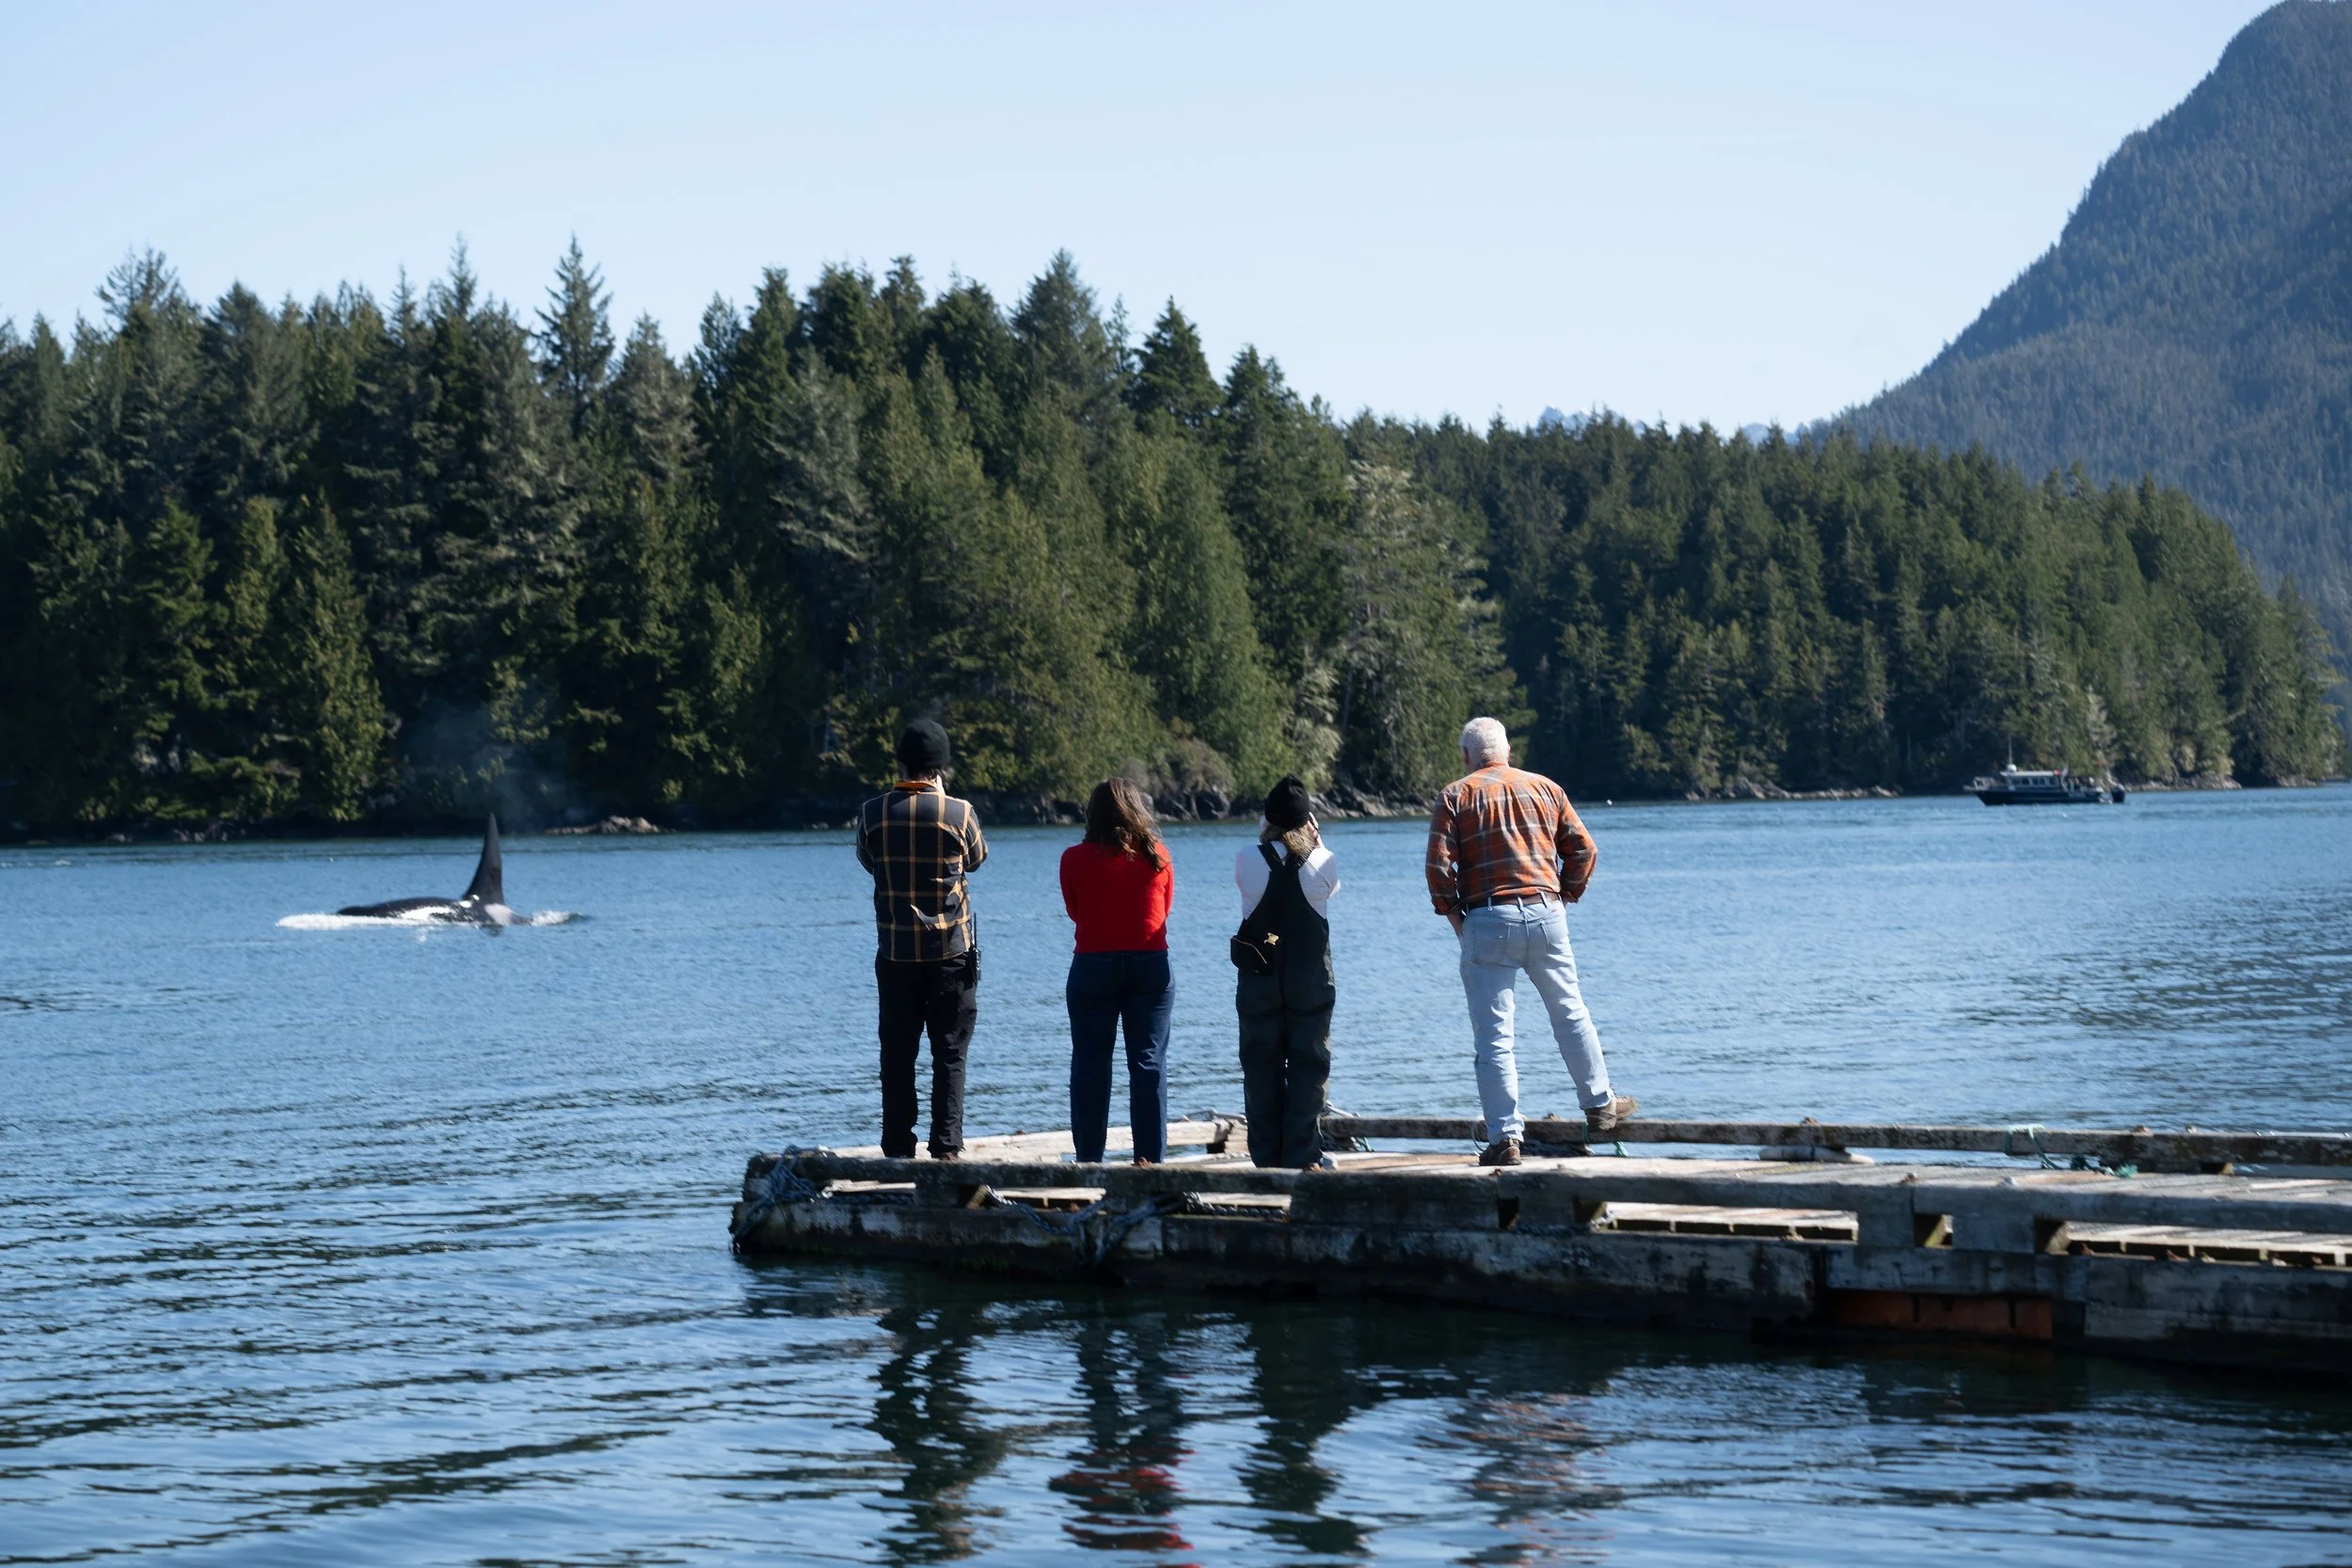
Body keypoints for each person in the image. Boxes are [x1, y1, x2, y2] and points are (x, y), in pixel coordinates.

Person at [1424, 716, 1634, 1166]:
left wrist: (1457, 916)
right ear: (1508, 752)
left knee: (1495, 1037)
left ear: (1466, 757)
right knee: (1570, 1012)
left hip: (1486, 916)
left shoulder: (1455, 795)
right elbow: (1584, 850)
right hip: (1545, 911)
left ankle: (1505, 1139)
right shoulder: (1546, 788)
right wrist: (1565, 894)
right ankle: (1599, 1107)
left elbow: (1439, 870)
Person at [856, 719, 988, 1160]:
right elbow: (977, 859)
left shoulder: (872, 813)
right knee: (949, 1053)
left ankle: (897, 1146)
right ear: (941, 766)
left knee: (897, 1055)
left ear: (902, 761)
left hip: (895, 954)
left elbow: (866, 858)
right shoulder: (959, 812)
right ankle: (946, 1147)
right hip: (951, 953)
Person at [1058, 778, 1176, 1166]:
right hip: (1150, 965)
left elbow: (1075, 911)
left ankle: (1090, 1159)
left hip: (1093, 964)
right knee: (1147, 1063)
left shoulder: (1073, 858)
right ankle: (1149, 1162)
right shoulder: (1159, 855)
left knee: (1091, 1063)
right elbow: (1164, 910)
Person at [1233, 775, 1341, 1169]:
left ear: (1268, 820)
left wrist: (1265, 835)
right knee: (1309, 1065)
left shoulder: (1247, 857)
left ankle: (1265, 1156)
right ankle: (1303, 1153)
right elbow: (1332, 888)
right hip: (1309, 980)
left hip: (1259, 978)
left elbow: (1257, 870)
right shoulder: (1322, 862)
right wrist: (1318, 838)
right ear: (1307, 822)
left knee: (1261, 1065)